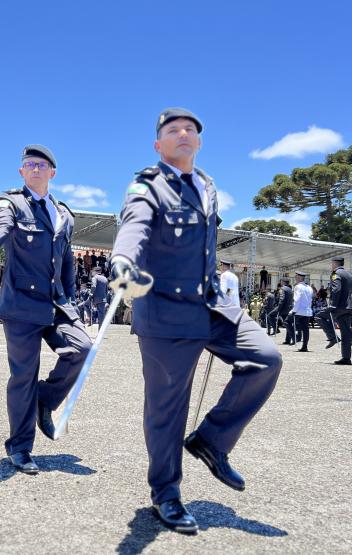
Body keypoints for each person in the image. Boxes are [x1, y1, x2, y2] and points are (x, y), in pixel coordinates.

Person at [109, 107, 281, 534]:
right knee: (168, 410)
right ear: (159, 144)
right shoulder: (147, 185)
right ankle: (166, 494)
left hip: (208, 304)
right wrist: (121, 262)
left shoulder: (207, 185)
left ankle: (211, 440)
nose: (183, 133)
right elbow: (134, 226)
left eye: (190, 130)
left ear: (199, 142)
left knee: (266, 357)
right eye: (173, 130)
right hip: (165, 309)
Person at [0, 144, 92, 474]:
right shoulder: (12, 203)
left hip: (55, 302)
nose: (34, 169)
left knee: (82, 348)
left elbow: (65, 262)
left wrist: (72, 306)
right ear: (22, 172)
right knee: (24, 375)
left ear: (52, 172)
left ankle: (44, 400)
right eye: (28, 165)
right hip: (21, 304)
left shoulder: (65, 214)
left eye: (41, 165)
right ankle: (20, 448)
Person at [317, 257, 352, 365]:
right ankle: (346, 358)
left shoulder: (336, 273)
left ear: (334, 263)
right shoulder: (348, 274)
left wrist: (333, 305)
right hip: (349, 307)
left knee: (319, 316)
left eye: (332, 263)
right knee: (346, 333)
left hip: (339, 307)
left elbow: (336, 289)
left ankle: (332, 337)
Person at [288, 271, 313, 352]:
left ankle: (296, 338)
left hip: (299, 310)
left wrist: (293, 311)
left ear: (300, 277)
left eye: (296, 276)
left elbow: (297, 300)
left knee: (287, 322)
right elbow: (310, 300)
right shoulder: (309, 287)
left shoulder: (298, 287)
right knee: (305, 329)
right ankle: (304, 346)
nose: (295, 278)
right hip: (307, 311)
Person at [277, 278, 293, 344]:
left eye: (281, 281)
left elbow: (282, 299)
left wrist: (278, 309)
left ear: (283, 282)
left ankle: (293, 337)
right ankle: (288, 339)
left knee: (270, 316)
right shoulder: (290, 289)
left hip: (283, 309)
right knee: (288, 324)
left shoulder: (282, 289)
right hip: (289, 308)